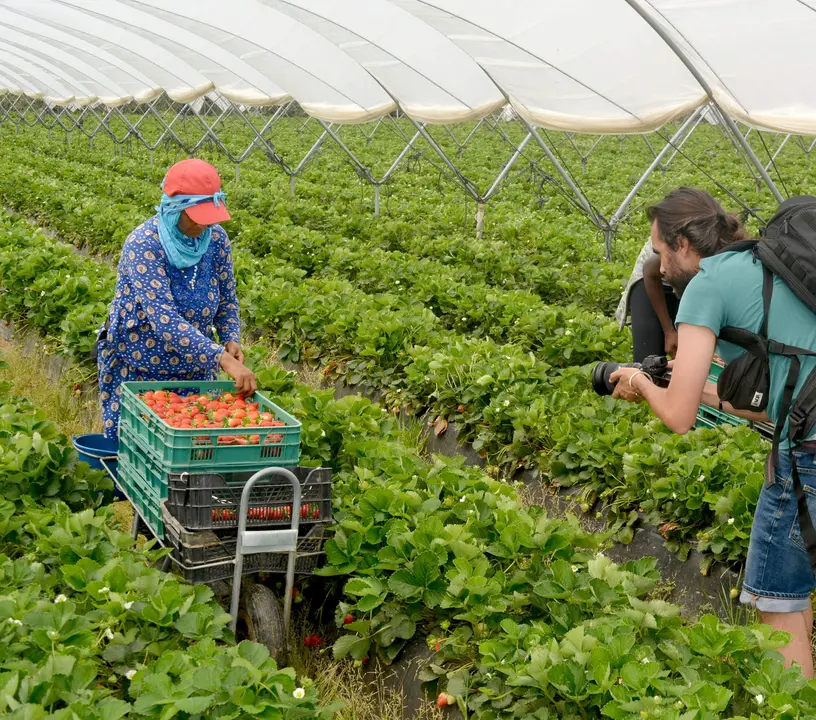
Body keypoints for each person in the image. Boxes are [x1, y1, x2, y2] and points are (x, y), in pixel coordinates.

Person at [610, 187, 816, 677]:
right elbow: (765, 402)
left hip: (803, 462)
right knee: (792, 593)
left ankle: (793, 706)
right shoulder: (764, 267)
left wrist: (639, 379)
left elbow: (679, 419)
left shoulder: (707, 283)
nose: (659, 269)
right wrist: (682, 385)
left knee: (776, 604)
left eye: (660, 253)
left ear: (683, 244)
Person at [97, 159, 256, 439]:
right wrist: (222, 359)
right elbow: (165, 320)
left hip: (195, 366)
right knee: (139, 447)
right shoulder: (144, 244)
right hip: (140, 367)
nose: (202, 224)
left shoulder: (216, 239)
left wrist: (231, 338)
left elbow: (228, 298)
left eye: (208, 216)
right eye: (194, 215)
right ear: (174, 208)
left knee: (192, 442)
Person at [615, 241, 680, 360]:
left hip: (690, 279)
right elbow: (650, 271)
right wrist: (669, 331)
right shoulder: (683, 247)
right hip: (652, 278)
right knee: (649, 360)